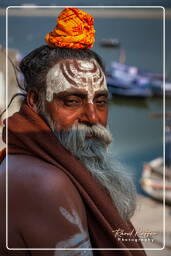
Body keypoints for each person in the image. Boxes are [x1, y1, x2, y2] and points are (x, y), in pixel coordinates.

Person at [0, 7, 147, 256]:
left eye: (100, 101)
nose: (92, 117)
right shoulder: (44, 183)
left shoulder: (26, 162)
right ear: (35, 101)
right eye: (72, 101)